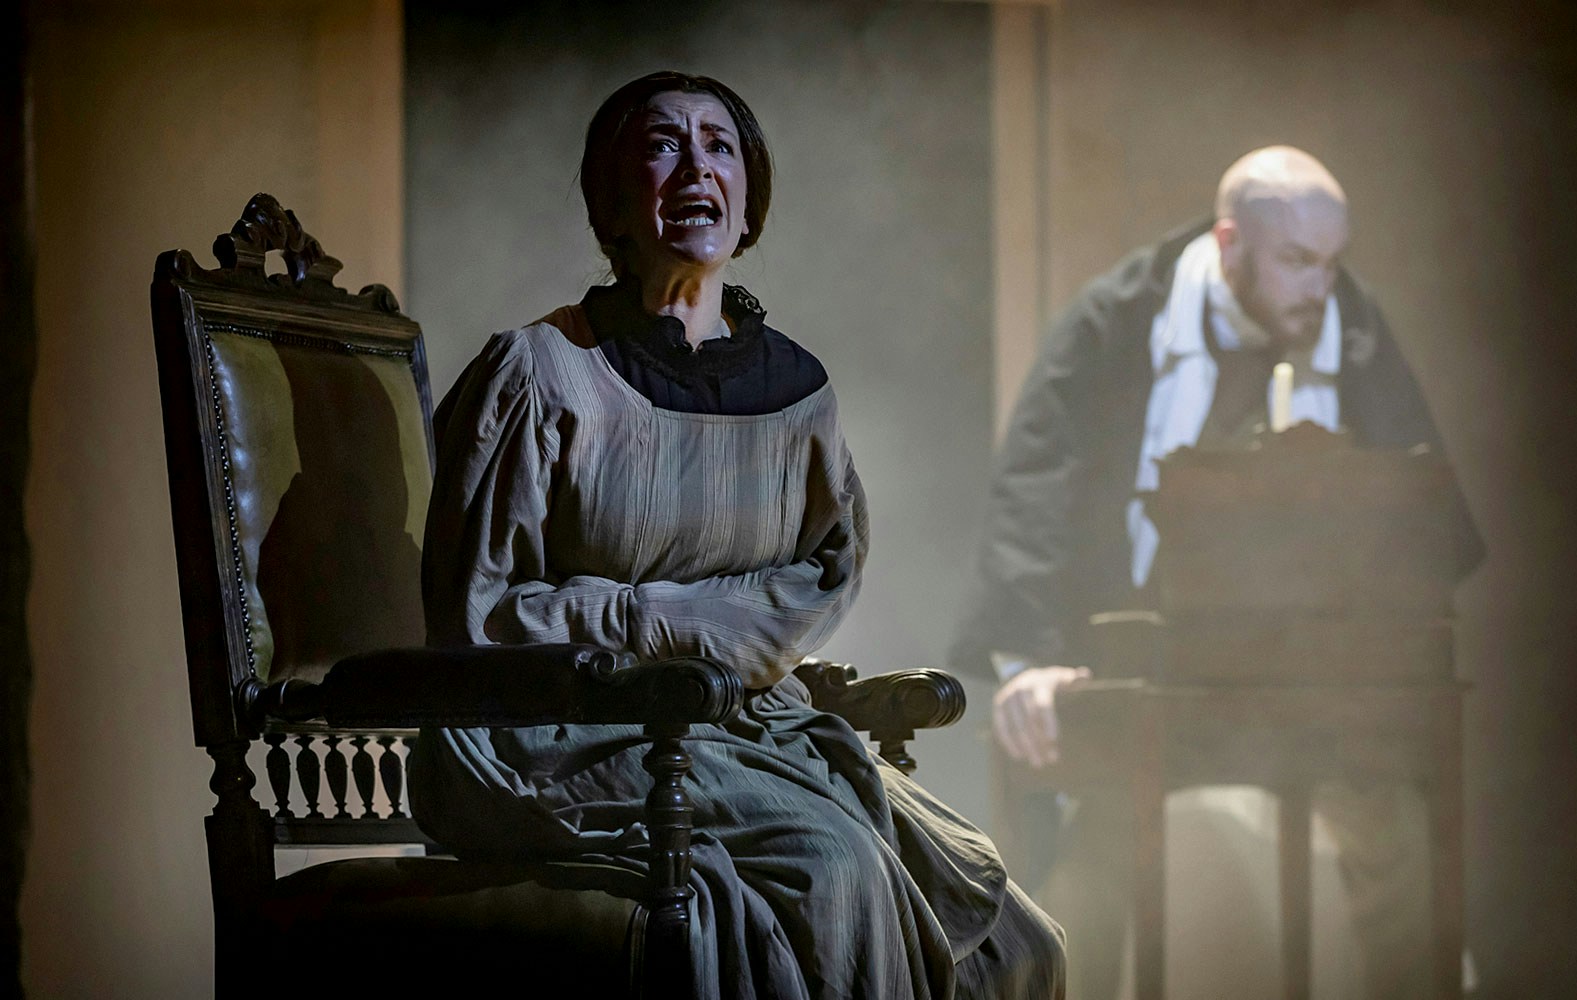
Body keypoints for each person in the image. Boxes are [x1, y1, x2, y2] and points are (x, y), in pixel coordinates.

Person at [407, 71, 1068, 1000]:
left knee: (1015, 939)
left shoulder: (798, 392)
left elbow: (819, 581)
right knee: (837, 873)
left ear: (748, 193)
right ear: (612, 195)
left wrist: (710, 640)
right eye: (663, 144)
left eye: (719, 146)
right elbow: (479, 612)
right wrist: (674, 625)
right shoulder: (539, 376)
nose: (696, 167)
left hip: (751, 724)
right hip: (566, 731)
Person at [954, 146, 1483, 998]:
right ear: (1231, 243)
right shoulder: (1122, 318)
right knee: (1090, 876)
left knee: (1397, 840)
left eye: (1333, 262)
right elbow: (1036, 489)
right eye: (1298, 261)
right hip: (1145, 669)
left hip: (1309, 672)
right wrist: (1028, 659)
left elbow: (1420, 514)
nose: (1322, 285)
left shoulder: (1344, 318)